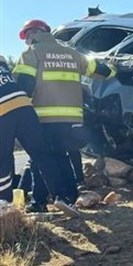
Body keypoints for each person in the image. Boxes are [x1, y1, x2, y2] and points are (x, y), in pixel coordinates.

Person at [12, 19, 116, 213]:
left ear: (34, 33)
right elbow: (105, 72)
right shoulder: (72, 54)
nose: (26, 41)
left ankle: (39, 203)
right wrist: (115, 65)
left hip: (43, 117)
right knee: (61, 155)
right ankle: (69, 197)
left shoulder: (32, 53)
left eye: (26, 36)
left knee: (39, 159)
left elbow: (23, 86)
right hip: (71, 119)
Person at [0, 54, 79, 217]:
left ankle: (4, 204)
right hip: (25, 107)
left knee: (3, 159)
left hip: (2, 111)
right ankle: (61, 196)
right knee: (42, 154)